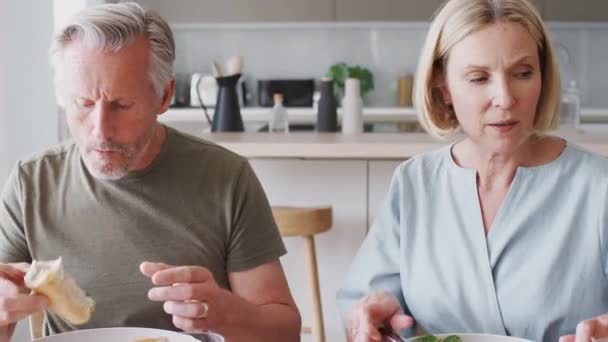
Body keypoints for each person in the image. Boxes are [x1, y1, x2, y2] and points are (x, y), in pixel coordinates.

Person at [0, 2, 301, 341]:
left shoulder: (227, 178)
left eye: (122, 104)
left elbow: (284, 333)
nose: (100, 130)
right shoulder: (32, 183)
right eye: (83, 103)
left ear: (164, 95)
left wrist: (225, 312)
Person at [337, 0, 608, 341]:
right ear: (443, 86)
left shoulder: (599, 187)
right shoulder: (415, 182)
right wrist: (370, 320)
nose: (505, 98)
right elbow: (364, 305)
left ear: (543, 75)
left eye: (523, 73)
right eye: (479, 78)